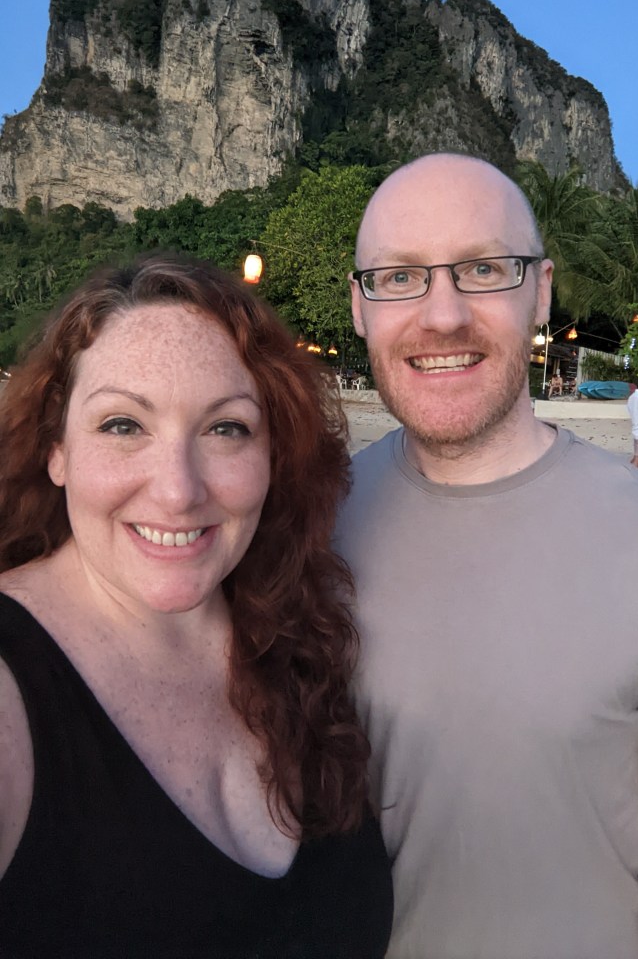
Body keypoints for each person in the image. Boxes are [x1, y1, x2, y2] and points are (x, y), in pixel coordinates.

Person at [336, 153, 638, 959]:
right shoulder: (298, 529)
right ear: (358, 307)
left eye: (484, 269)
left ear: (541, 290)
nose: (442, 315)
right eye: (397, 277)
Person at [0, 256, 392, 956]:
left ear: (275, 454)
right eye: (123, 425)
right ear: (57, 450)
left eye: (226, 428)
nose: (178, 490)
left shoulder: (298, 640)